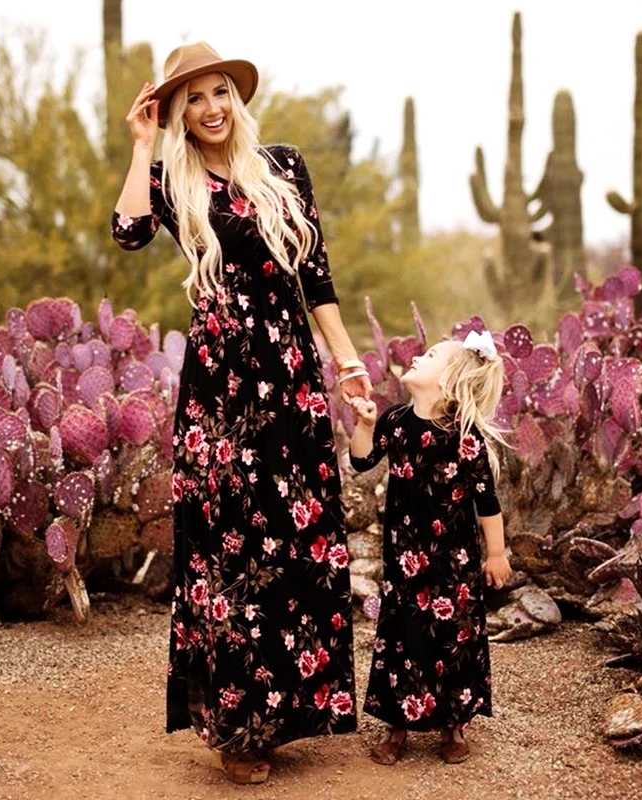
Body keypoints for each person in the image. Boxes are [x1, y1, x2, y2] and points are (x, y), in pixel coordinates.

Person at [111, 42, 371, 784]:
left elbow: (316, 278)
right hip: (220, 389)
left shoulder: (283, 167)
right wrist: (141, 146)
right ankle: (236, 726)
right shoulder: (170, 178)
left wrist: (349, 366)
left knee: (298, 537)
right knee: (229, 555)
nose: (212, 107)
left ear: (237, 97)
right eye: (193, 99)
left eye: (220, 92)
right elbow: (127, 233)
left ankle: (290, 712)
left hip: (289, 377)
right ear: (177, 114)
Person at [349, 331, 511, 765]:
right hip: (404, 557)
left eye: (431, 355)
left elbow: (486, 499)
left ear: (450, 378)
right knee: (402, 634)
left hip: (454, 563)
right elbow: (361, 461)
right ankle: (396, 725)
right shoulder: (395, 421)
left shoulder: (465, 435)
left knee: (454, 638)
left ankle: (452, 725)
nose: (418, 356)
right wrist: (364, 425)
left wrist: (496, 554)